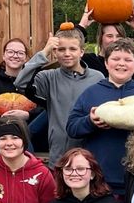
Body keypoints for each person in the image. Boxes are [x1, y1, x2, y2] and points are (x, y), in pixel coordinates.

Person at [67, 39, 134, 196]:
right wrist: (89, 122)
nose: (121, 64)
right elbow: (72, 128)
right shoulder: (91, 93)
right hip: (99, 176)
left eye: (128, 60)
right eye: (115, 59)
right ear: (106, 63)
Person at [16, 28, 104, 158]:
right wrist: (44, 52)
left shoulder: (97, 78)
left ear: (82, 52)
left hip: (90, 153)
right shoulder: (48, 77)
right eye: (61, 49)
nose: (67, 54)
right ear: (55, 52)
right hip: (59, 153)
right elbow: (21, 83)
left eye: (73, 49)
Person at [0, 38, 44, 147]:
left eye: (20, 53)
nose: (15, 55)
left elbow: (45, 106)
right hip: (2, 132)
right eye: (10, 52)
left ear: (26, 58)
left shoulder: (36, 81)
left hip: (32, 131)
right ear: (4, 56)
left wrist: (28, 114)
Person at [76, 4, 134, 77]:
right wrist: (82, 26)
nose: (114, 40)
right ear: (100, 37)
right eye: (109, 36)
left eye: (118, 36)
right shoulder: (89, 62)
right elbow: (67, 48)